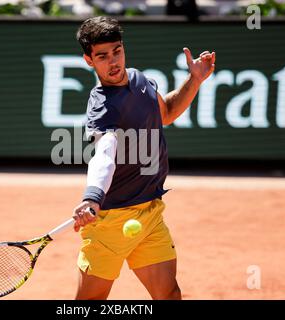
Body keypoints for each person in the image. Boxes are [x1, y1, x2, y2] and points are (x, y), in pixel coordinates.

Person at [72, 16, 215, 300]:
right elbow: (105, 152)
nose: (113, 61)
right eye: (102, 56)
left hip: (150, 215)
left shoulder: (139, 79)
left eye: (117, 51)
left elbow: (167, 113)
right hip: (111, 221)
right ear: (89, 60)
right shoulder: (103, 105)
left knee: (170, 295)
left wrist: (195, 80)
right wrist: (92, 196)